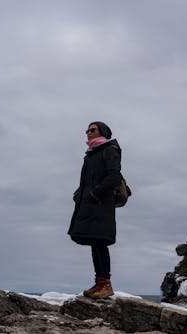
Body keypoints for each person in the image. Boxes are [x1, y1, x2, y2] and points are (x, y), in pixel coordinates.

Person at [68, 121, 122, 299]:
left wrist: (94, 194)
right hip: (91, 205)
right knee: (95, 243)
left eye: (92, 130)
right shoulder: (91, 154)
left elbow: (114, 176)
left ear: (103, 132)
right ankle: (99, 283)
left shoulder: (109, 150)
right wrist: (80, 195)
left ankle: (106, 284)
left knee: (101, 243)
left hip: (101, 205)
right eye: (87, 130)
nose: (88, 133)